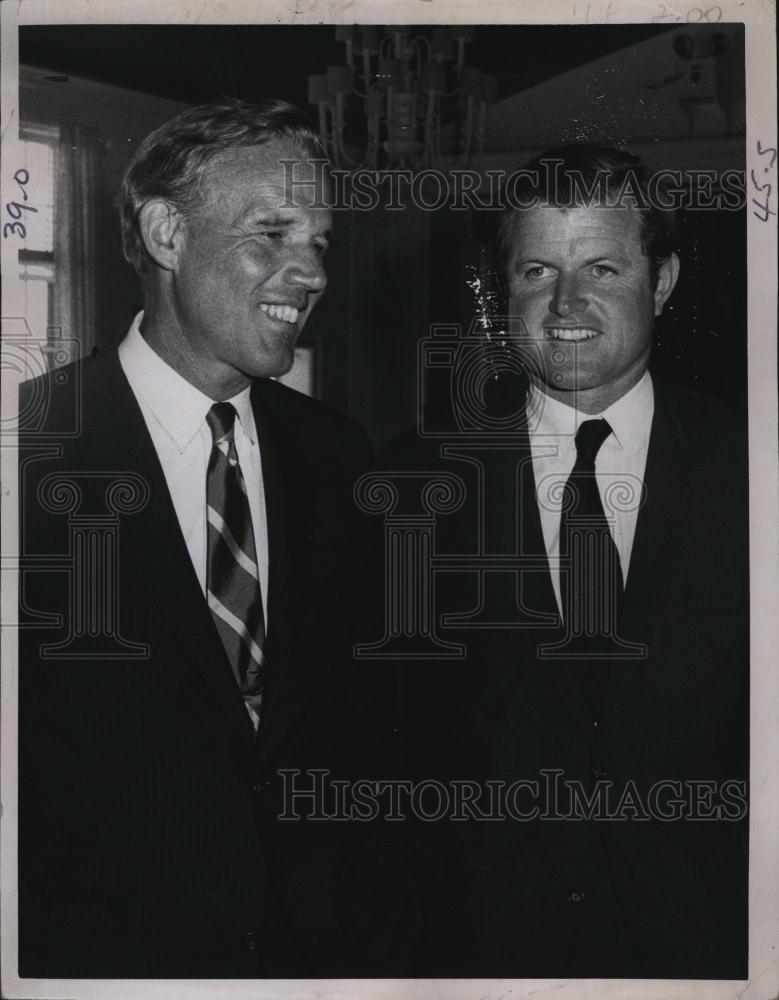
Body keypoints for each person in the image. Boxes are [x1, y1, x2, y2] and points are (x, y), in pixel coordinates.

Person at [17, 98, 408, 978]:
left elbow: (361, 728)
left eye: (320, 244)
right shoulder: (27, 454)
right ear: (165, 234)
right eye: (273, 234)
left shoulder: (336, 453)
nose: (308, 274)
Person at [393, 145, 748, 978]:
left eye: (600, 268)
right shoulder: (411, 481)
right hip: (482, 958)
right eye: (536, 271)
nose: (565, 304)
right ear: (499, 290)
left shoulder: (756, 465)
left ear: (659, 282)